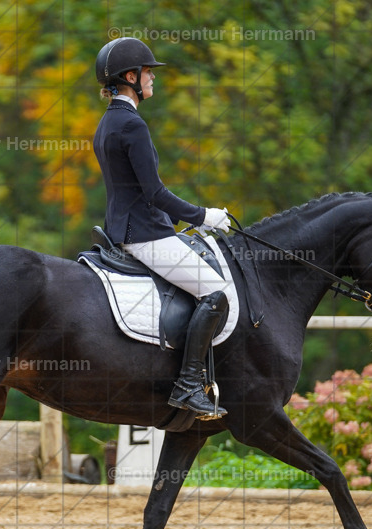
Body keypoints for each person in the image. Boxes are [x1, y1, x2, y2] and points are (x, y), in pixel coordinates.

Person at [93, 37, 233, 420]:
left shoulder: (107, 123)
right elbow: (154, 193)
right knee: (215, 292)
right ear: (130, 77)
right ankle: (188, 385)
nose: (153, 78)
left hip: (122, 229)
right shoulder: (132, 125)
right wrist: (203, 215)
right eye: (148, 72)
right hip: (145, 234)